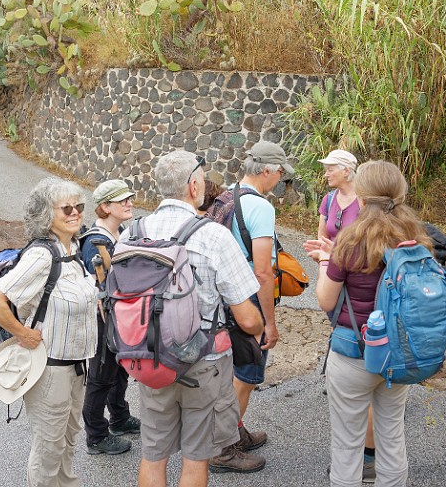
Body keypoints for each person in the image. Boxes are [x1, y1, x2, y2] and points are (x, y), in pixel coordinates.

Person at [123, 150, 265, 487]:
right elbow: (247, 319)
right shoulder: (212, 234)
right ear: (193, 185)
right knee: (195, 456)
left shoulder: (131, 232)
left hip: (149, 356)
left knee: (153, 455)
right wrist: (261, 327)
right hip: (203, 361)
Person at [305, 160, 430, 487]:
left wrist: (325, 262)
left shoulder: (350, 240)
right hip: (399, 353)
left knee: (347, 446)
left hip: (353, 352)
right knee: (392, 436)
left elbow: (326, 300)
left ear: (360, 196)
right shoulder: (417, 238)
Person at [0, 177, 97, 487]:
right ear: (47, 214)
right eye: (66, 208)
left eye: (79, 206)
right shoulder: (42, 255)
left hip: (77, 367)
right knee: (49, 451)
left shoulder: (72, 249)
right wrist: (23, 333)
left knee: (68, 444)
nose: (75, 213)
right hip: (50, 372)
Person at [209, 141, 295, 474]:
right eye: (280, 174)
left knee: (231, 369)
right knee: (245, 376)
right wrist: (268, 324)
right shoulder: (260, 207)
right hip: (247, 303)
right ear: (268, 171)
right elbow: (263, 271)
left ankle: (235, 430)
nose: (281, 180)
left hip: (222, 299)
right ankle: (224, 448)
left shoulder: (227, 196)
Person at [308, 149, 376, 484]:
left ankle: (363, 458)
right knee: (340, 323)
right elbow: (323, 235)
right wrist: (327, 256)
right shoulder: (329, 200)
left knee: (357, 337)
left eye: (330, 168)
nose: (326, 173)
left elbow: (366, 246)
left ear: (348, 171)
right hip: (338, 274)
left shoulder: (365, 203)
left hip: (354, 277)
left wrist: (333, 257)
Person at [80, 179, 140, 456]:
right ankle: (96, 436)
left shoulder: (119, 233)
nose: (129, 203)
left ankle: (119, 418)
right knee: (101, 376)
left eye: (129, 198)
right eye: (122, 200)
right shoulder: (95, 242)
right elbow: (96, 291)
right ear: (105, 207)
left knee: (119, 371)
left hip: (118, 316)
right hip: (103, 318)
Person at [317, 149, 360, 242]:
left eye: (330, 170)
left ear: (346, 171)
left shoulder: (364, 200)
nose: (326, 175)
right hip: (331, 256)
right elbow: (322, 238)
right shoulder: (329, 199)